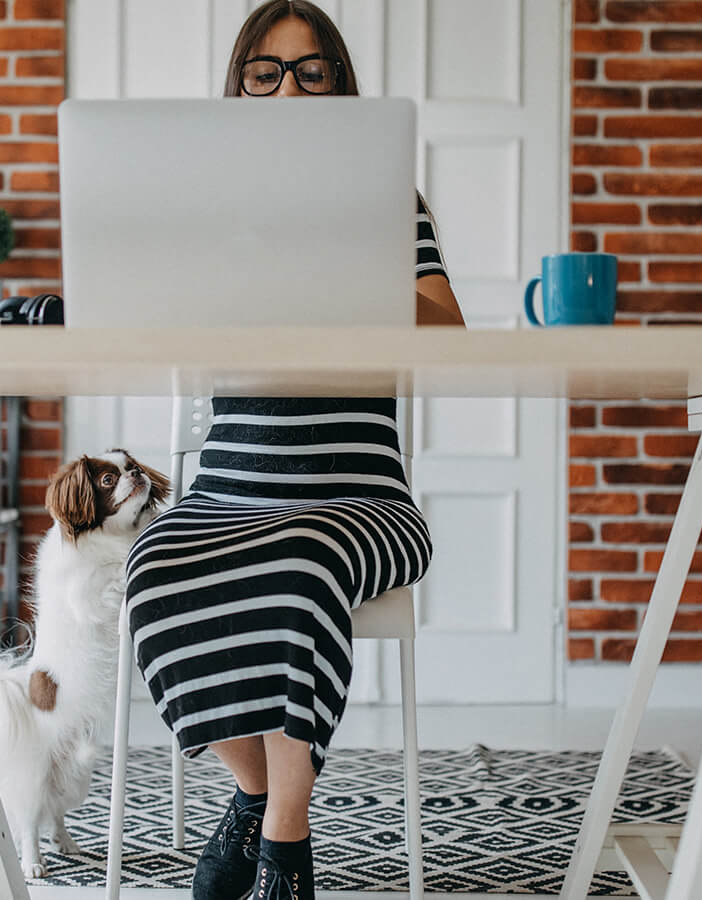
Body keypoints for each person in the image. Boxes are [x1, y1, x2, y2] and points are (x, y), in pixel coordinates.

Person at [123, 3, 464, 898]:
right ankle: (251, 788)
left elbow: (449, 329)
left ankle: (283, 834)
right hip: (228, 492)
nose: (288, 88)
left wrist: (360, 271)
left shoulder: (392, 201)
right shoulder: (209, 213)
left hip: (362, 503)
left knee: (301, 562)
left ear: (341, 86)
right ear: (239, 87)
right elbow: (155, 320)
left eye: (312, 71)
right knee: (153, 568)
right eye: (266, 71)